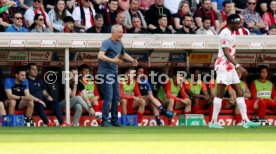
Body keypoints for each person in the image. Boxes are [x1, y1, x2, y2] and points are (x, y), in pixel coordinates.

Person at [209, 14, 260, 129]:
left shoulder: (232, 32)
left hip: (230, 67)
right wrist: (238, 66)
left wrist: (235, 66)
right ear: (231, 23)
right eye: (238, 23)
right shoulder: (224, 33)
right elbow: (226, 53)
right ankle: (213, 121)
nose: (240, 25)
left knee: (240, 92)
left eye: (240, 22)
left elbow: (231, 53)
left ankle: (246, 121)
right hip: (223, 66)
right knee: (220, 94)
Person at [97, 24, 138, 127]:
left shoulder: (120, 43)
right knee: (109, 97)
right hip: (105, 73)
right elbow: (100, 55)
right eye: (119, 32)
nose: (121, 34)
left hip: (114, 73)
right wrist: (113, 60)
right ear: (113, 33)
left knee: (117, 97)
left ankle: (114, 120)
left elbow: (123, 54)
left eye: (122, 32)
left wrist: (132, 60)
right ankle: (104, 121)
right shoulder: (107, 42)